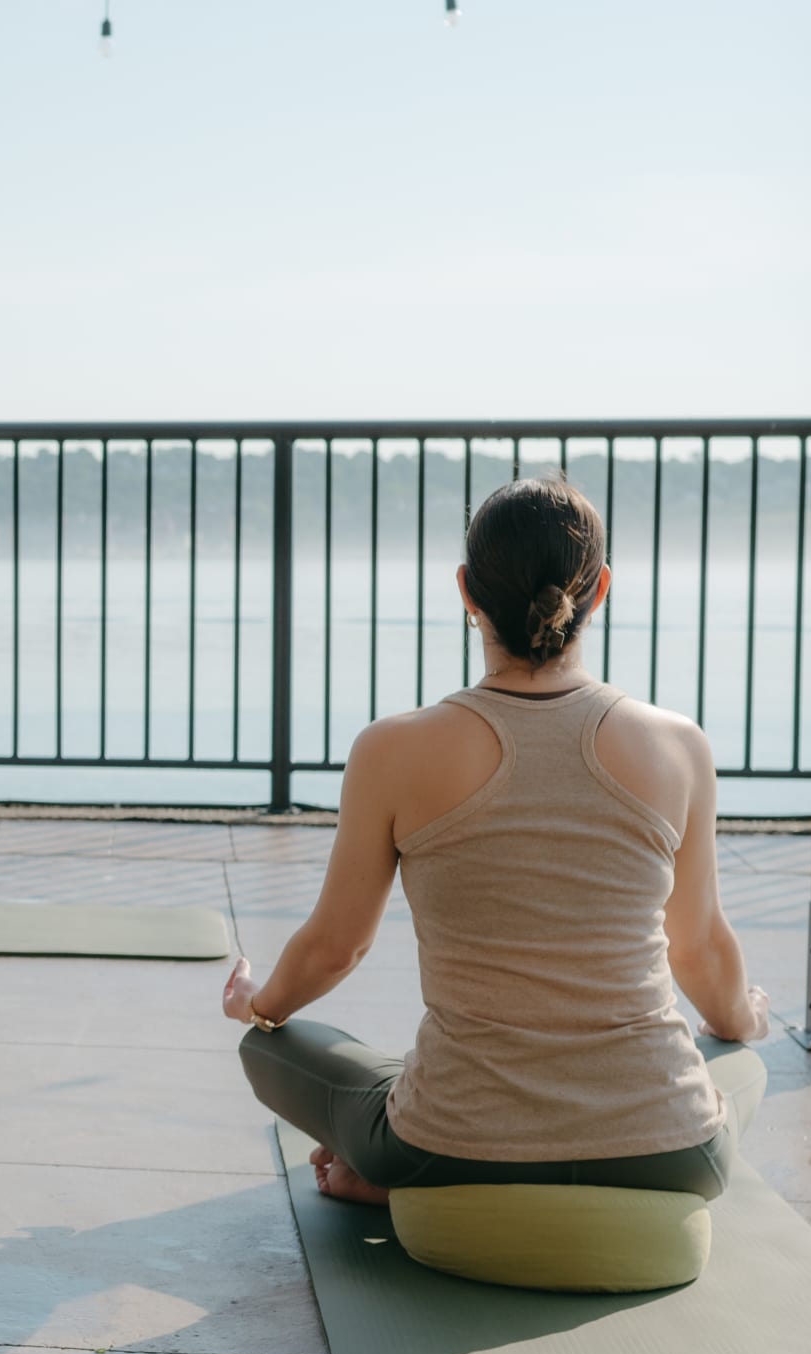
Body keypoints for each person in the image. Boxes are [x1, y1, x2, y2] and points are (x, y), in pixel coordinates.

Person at [226, 474, 770, 1207]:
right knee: (740, 1062)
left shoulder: (392, 749)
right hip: (670, 1156)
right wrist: (743, 1022)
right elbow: (699, 947)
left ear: (466, 591)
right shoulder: (679, 746)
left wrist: (261, 1004)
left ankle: (410, 1182)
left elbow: (335, 948)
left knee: (270, 1049)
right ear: (599, 590)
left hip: (446, 1148)